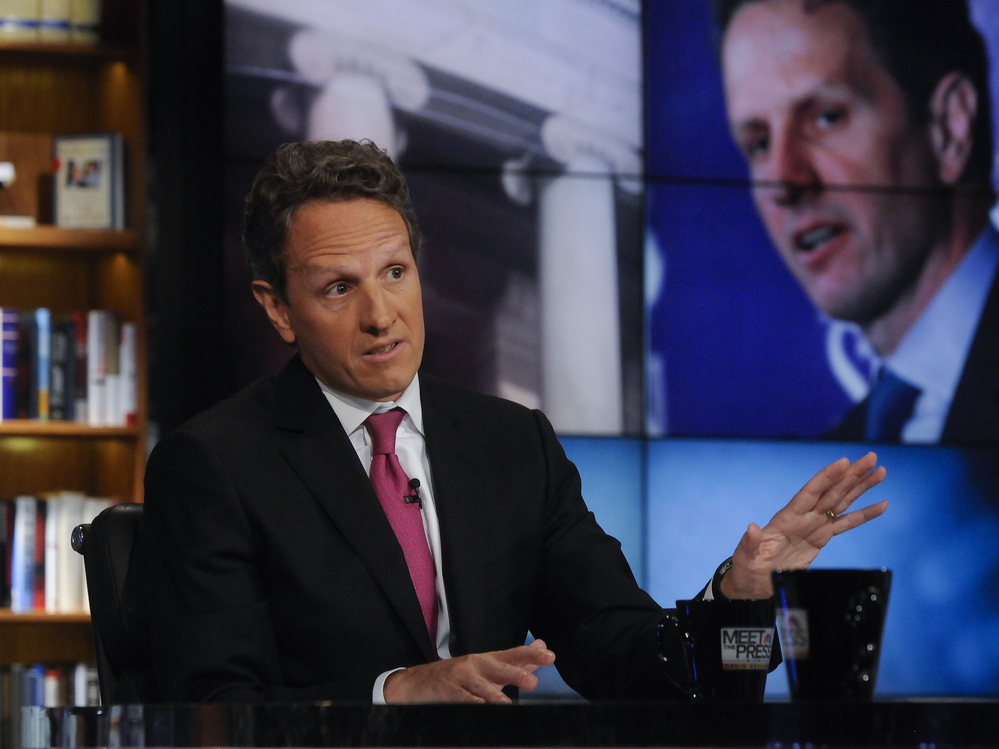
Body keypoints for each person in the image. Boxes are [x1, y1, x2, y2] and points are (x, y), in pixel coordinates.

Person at [124, 139, 887, 704]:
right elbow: (213, 710)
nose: (380, 314)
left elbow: (637, 665)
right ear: (276, 308)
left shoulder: (510, 444)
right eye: (337, 288)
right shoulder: (215, 463)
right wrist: (394, 691)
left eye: (395, 272)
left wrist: (742, 596)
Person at [715, 0, 998, 444]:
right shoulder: (830, 468)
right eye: (759, 143)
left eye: (826, 118)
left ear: (949, 128)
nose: (783, 180)